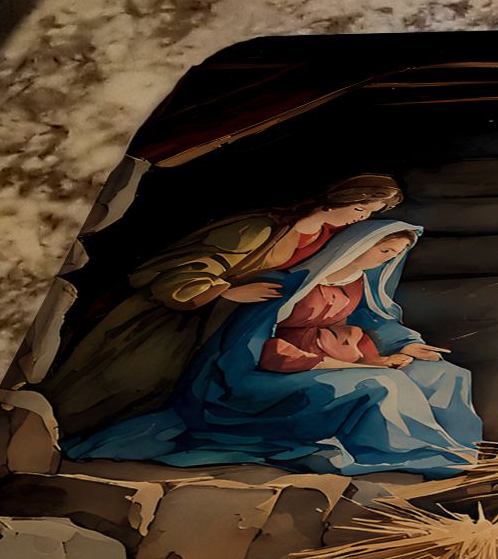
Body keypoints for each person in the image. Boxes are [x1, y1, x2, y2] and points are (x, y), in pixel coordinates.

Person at [66, 221, 482, 476]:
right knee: (381, 385)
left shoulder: (359, 283)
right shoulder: (286, 284)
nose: (386, 260)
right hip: (263, 375)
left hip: (344, 358)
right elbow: (254, 348)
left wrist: (410, 345)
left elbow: (375, 321)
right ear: (358, 245)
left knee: (444, 375)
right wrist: (341, 365)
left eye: (395, 254)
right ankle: (414, 456)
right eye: (384, 250)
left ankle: (462, 453)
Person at [36, 174, 405, 436]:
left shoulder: (325, 237)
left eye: (369, 213)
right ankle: (53, 432)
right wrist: (227, 292)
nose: (361, 218)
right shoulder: (260, 228)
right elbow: (182, 272)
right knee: (123, 378)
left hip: (220, 322)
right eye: (360, 208)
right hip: (166, 316)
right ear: (335, 199)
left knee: (160, 390)